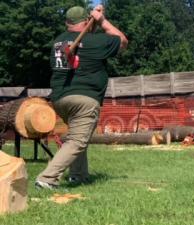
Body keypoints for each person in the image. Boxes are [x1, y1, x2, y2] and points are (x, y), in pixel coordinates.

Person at [35, 5, 128, 189]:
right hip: (84, 99)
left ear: (67, 23)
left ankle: (78, 175)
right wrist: (101, 21)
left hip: (60, 99)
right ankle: (46, 179)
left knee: (78, 134)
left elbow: (81, 45)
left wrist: (93, 23)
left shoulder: (58, 42)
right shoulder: (95, 42)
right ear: (86, 21)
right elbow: (122, 41)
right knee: (78, 140)